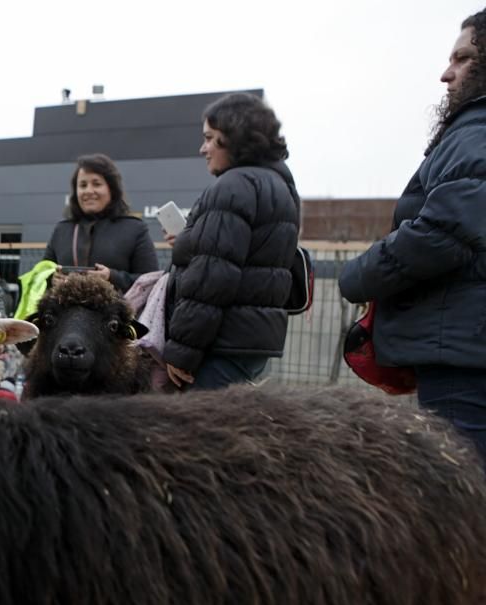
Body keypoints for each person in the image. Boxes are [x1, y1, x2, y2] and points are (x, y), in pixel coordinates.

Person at [339, 9, 486, 459]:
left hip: (463, 362)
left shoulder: (475, 131)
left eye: (463, 59)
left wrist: (357, 276)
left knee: (461, 505)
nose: (447, 74)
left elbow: (443, 232)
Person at [163, 93, 300, 391]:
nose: (203, 148)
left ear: (236, 137)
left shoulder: (233, 186)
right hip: (250, 341)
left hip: (219, 343)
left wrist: (183, 351)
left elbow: (212, 277)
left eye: (210, 138)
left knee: (200, 433)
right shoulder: (278, 184)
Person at [43, 154, 158, 293]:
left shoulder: (135, 229)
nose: (89, 191)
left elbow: (152, 282)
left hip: (117, 313)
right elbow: (42, 276)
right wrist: (53, 280)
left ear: (112, 189)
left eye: (96, 184)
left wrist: (112, 277)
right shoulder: (62, 230)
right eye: (83, 185)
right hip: (66, 313)